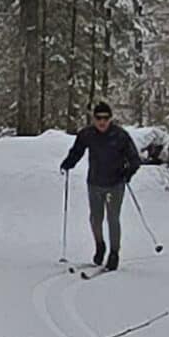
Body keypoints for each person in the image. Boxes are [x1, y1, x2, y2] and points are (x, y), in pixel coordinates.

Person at [60, 101, 142, 270]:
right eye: (98, 118)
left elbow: (135, 159)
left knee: (113, 219)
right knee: (95, 219)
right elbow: (77, 151)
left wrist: (127, 173)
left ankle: (114, 253)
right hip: (95, 183)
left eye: (106, 118)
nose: (102, 122)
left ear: (111, 118)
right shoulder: (87, 134)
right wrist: (68, 163)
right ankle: (100, 245)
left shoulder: (120, 135)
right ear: (93, 119)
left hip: (115, 184)